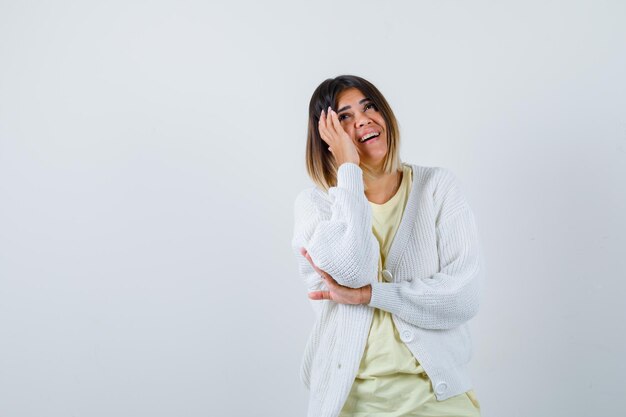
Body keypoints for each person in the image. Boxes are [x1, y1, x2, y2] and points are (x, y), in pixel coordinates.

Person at [291, 75, 484, 417]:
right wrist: (349, 170)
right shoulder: (316, 206)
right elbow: (351, 270)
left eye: (369, 106)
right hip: (351, 405)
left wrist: (371, 296)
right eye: (344, 117)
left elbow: (462, 297)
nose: (362, 119)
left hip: (436, 401)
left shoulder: (436, 188)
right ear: (327, 138)